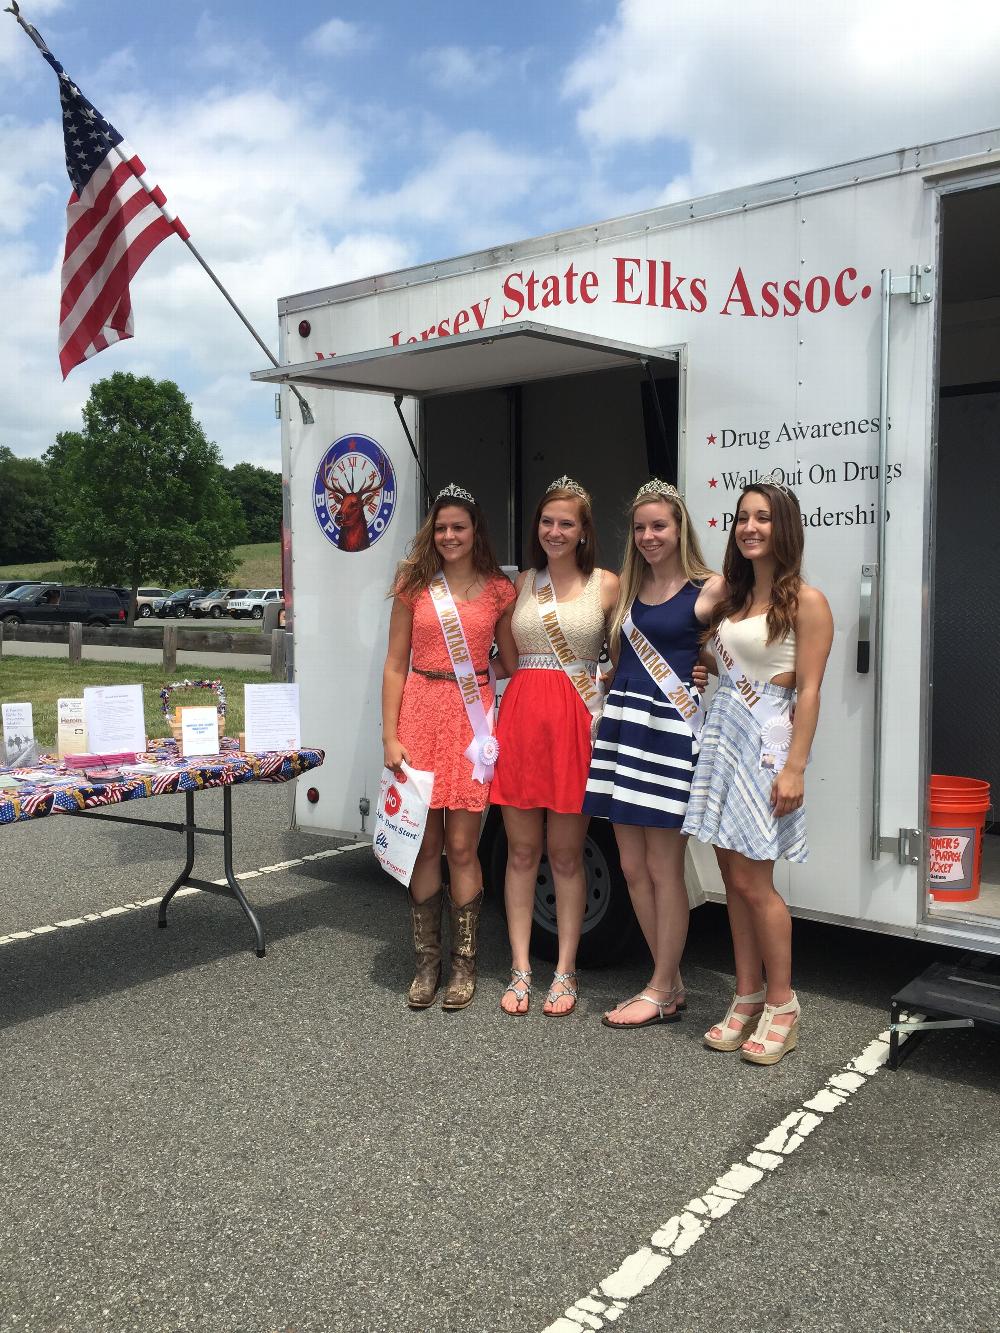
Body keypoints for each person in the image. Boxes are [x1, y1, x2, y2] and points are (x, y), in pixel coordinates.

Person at [683, 478, 833, 1066]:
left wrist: (795, 767)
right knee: (731, 880)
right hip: (724, 738)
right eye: (743, 517)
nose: (749, 527)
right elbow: (729, 661)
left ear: (784, 528)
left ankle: (782, 1003)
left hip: (766, 747)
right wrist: (706, 669)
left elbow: (810, 690)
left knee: (754, 883)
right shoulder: (735, 599)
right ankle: (746, 995)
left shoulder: (808, 602)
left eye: (763, 518)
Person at [584, 480, 722, 1028]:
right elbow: (619, 659)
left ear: (679, 528)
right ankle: (669, 980)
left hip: (669, 734)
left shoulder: (709, 588)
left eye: (659, 525)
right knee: (631, 865)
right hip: (625, 728)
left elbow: (742, 647)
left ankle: (661, 988)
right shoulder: (629, 591)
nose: (648, 536)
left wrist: (707, 666)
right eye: (640, 527)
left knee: (665, 868)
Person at [381, 483, 517, 1011]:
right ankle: (426, 963)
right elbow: (395, 664)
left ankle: (464, 964)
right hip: (418, 714)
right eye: (440, 527)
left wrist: (482, 679)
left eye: (459, 527)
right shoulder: (413, 585)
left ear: (475, 530)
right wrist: (389, 735)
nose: (449, 536)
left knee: (462, 846)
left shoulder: (499, 590)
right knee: (423, 843)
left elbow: (511, 660)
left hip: (468, 724)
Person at [490, 477, 619, 1017]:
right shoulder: (522, 583)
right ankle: (520, 967)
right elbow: (504, 656)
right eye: (547, 521)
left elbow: (627, 657)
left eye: (567, 523)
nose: (555, 531)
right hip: (523, 720)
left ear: (584, 530)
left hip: (575, 725)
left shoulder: (607, 585)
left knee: (567, 856)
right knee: (521, 853)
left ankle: (565, 970)